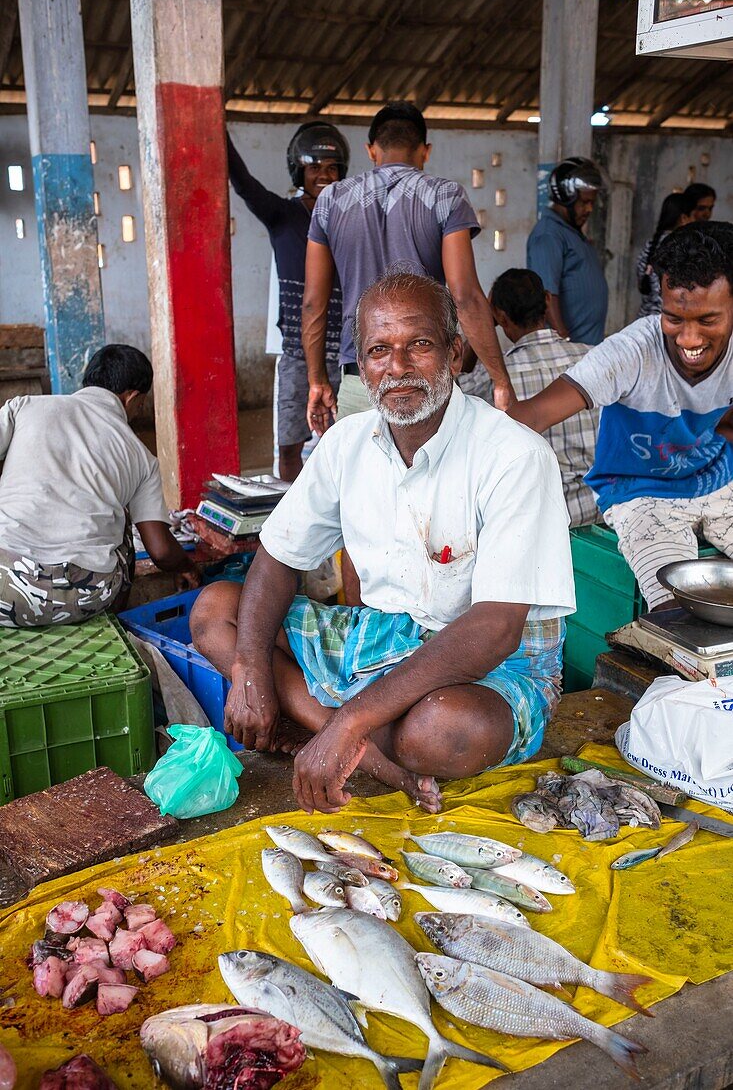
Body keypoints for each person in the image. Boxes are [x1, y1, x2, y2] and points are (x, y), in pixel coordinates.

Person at [191, 273, 574, 815]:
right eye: (378, 351)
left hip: (498, 663)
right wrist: (251, 669)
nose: (396, 368)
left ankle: (338, 727)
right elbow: (278, 558)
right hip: (382, 638)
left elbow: (496, 630)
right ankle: (361, 747)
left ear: (454, 353)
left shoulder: (514, 456)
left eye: (418, 345)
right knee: (217, 609)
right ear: (362, 365)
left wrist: (352, 717)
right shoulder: (348, 441)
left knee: (438, 731)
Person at [509, 222, 733, 612]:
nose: (689, 339)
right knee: (679, 611)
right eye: (674, 318)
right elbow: (532, 415)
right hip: (641, 493)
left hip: (719, 482)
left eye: (707, 320)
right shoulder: (631, 351)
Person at [302, 100, 513, 434]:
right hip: (426, 377)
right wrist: (500, 380)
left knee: (362, 482)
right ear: (425, 151)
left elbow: (314, 302)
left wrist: (317, 380)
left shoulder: (330, 201)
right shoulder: (446, 196)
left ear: (371, 151)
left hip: (363, 375)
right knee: (434, 479)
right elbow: (465, 295)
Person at [0, 344, 200, 628]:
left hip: (2, 590)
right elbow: (161, 550)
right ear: (132, 398)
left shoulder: (26, 407)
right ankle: (116, 621)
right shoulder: (141, 456)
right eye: (141, 404)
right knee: (124, 517)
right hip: (79, 599)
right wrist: (186, 567)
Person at [227, 122, 350, 481]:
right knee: (290, 446)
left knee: (348, 442)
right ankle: (292, 524)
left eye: (331, 168)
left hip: (346, 354)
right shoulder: (282, 215)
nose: (324, 176)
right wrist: (219, 131)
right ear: (299, 171)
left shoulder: (349, 220)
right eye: (315, 168)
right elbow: (245, 184)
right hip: (298, 355)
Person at [488, 268, 600, 528]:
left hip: (548, 518)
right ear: (547, 301)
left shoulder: (495, 378)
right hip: (604, 507)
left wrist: (485, 317)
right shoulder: (595, 358)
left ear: (500, 317)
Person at [527, 157, 608, 345]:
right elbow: (546, 296)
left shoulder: (571, 231)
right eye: (584, 202)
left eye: (592, 203)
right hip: (570, 354)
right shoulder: (549, 235)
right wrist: (564, 341)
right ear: (565, 198)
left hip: (586, 349)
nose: (589, 209)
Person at [636, 192, 691, 317]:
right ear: (684, 218)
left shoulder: (650, 245)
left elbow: (641, 283)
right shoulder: (680, 246)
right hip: (667, 319)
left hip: (645, 317)